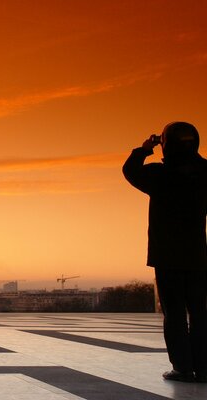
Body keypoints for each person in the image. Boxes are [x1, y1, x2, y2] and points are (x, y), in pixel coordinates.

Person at [123, 121, 207, 383]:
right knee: (201, 313)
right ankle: (204, 368)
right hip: (197, 256)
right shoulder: (205, 173)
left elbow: (130, 171)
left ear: (166, 144)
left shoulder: (160, 175)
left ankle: (182, 368)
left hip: (167, 256)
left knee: (175, 315)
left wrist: (145, 149)